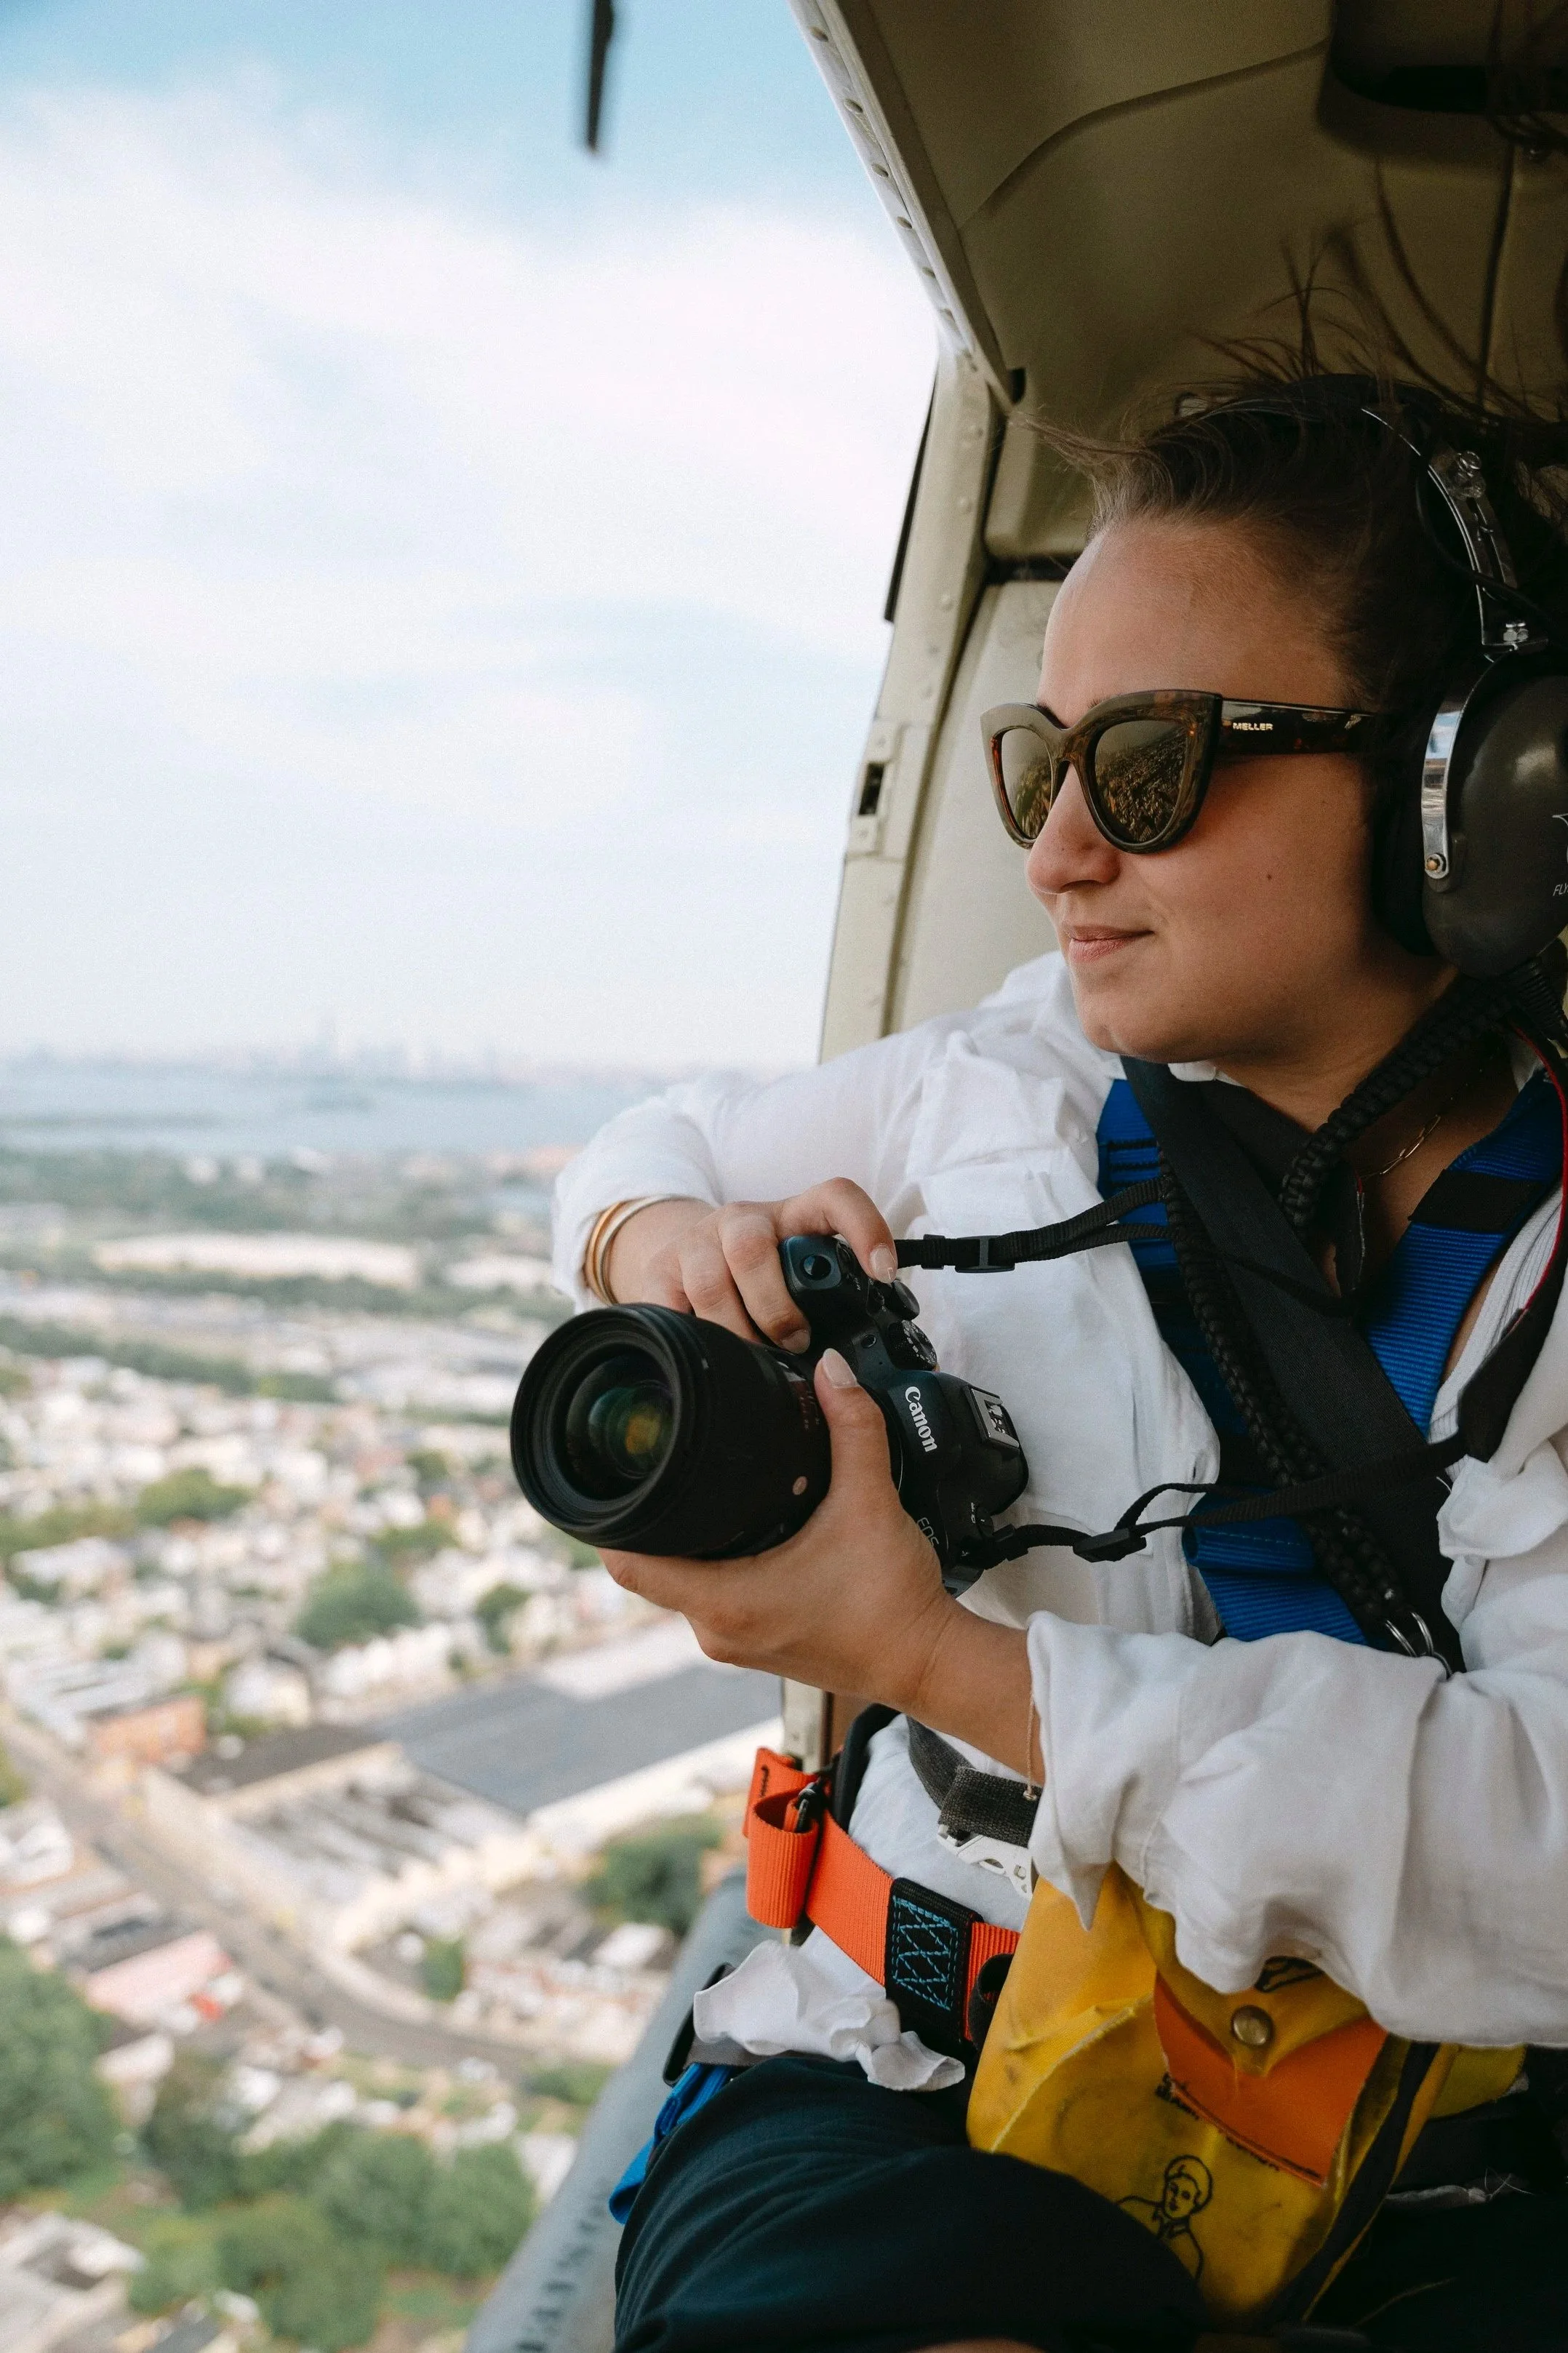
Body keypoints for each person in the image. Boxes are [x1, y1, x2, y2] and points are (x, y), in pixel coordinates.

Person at [552, 363, 1568, 2353]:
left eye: (1159, 766)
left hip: (1447, 2159)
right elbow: (644, 1152)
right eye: (1044, 768)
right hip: (902, 2080)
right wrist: (666, 1243)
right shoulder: (998, 1089)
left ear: (1466, 792)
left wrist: (932, 1661)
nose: (1059, 854)